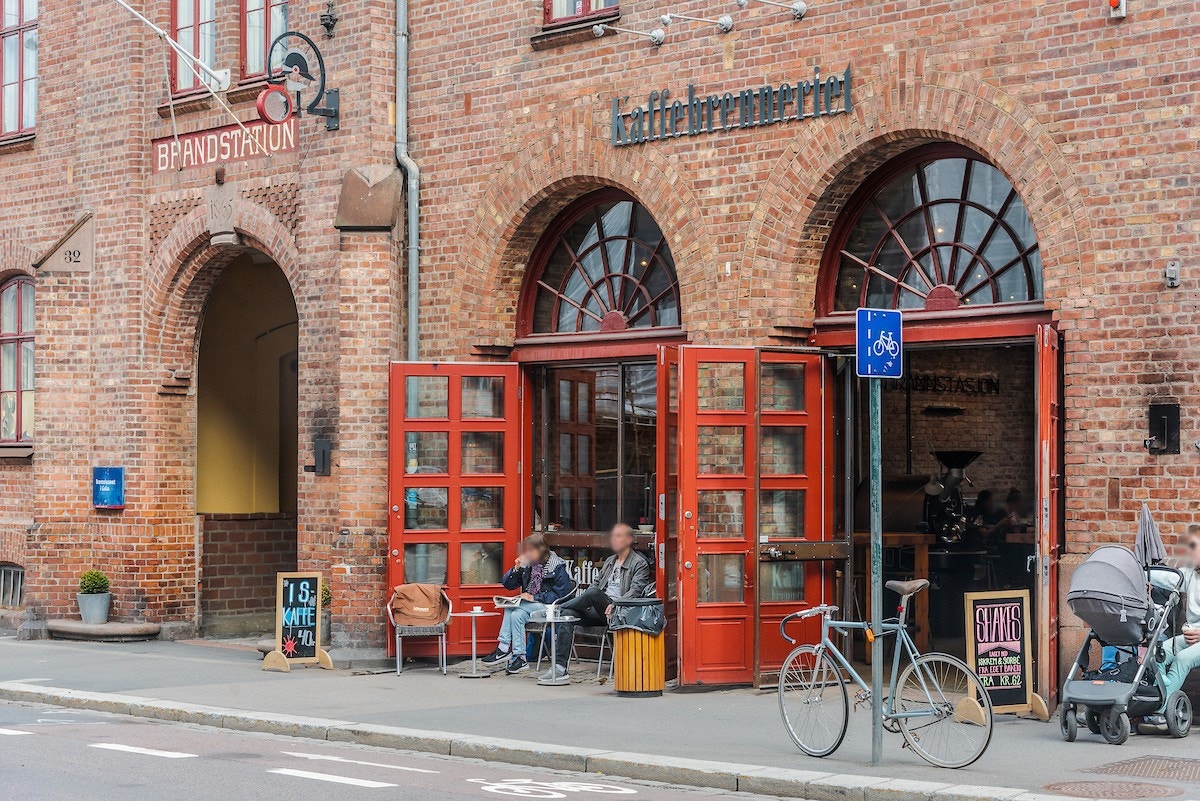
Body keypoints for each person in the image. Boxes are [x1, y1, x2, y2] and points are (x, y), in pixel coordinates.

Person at [542, 523, 652, 682]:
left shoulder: (638, 563)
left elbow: (635, 591)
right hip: (599, 609)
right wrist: (589, 601)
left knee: (592, 594)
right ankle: (560, 668)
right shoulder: (609, 561)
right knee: (567, 615)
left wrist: (615, 604)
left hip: (619, 611)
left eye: (619, 536)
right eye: (613, 536)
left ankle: (555, 609)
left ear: (629, 540)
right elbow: (595, 583)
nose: (614, 539)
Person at [481, 533, 573, 674]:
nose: (527, 553)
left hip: (549, 607)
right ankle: (516, 654)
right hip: (530, 606)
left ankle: (508, 650)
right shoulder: (529, 565)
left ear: (541, 550)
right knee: (514, 611)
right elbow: (508, 585)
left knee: (514, 611)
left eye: (531, 550)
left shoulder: (557, 566)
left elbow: (561, 595)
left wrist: (535, 597)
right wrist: (516, 568)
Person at [1159, 525, 1200, 701]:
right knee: (1156, 653)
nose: (1189, 551)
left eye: (1194, 546)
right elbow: (1168, 577)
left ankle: (1159, 711)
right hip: (1189, 637)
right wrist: (1140, 572)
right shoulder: (1191, 573)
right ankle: (1158, 698)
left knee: (1182, 659)